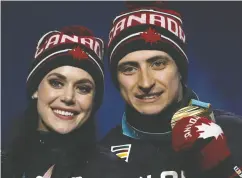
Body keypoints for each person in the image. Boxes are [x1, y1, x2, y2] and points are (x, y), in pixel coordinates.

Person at [101, 2, 242, 178]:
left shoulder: (235, 133)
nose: (145, 82)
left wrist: (224, 168)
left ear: (180, 71)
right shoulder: (102, 155)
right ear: (117, 80)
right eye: (129, 68)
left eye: (158, 63)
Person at [2, 26, 137, 178]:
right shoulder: (4, 164)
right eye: (56, 83)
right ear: (35, 89)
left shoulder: (115, 172)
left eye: (83, 88)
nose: (68, 97)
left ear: (93, 101)